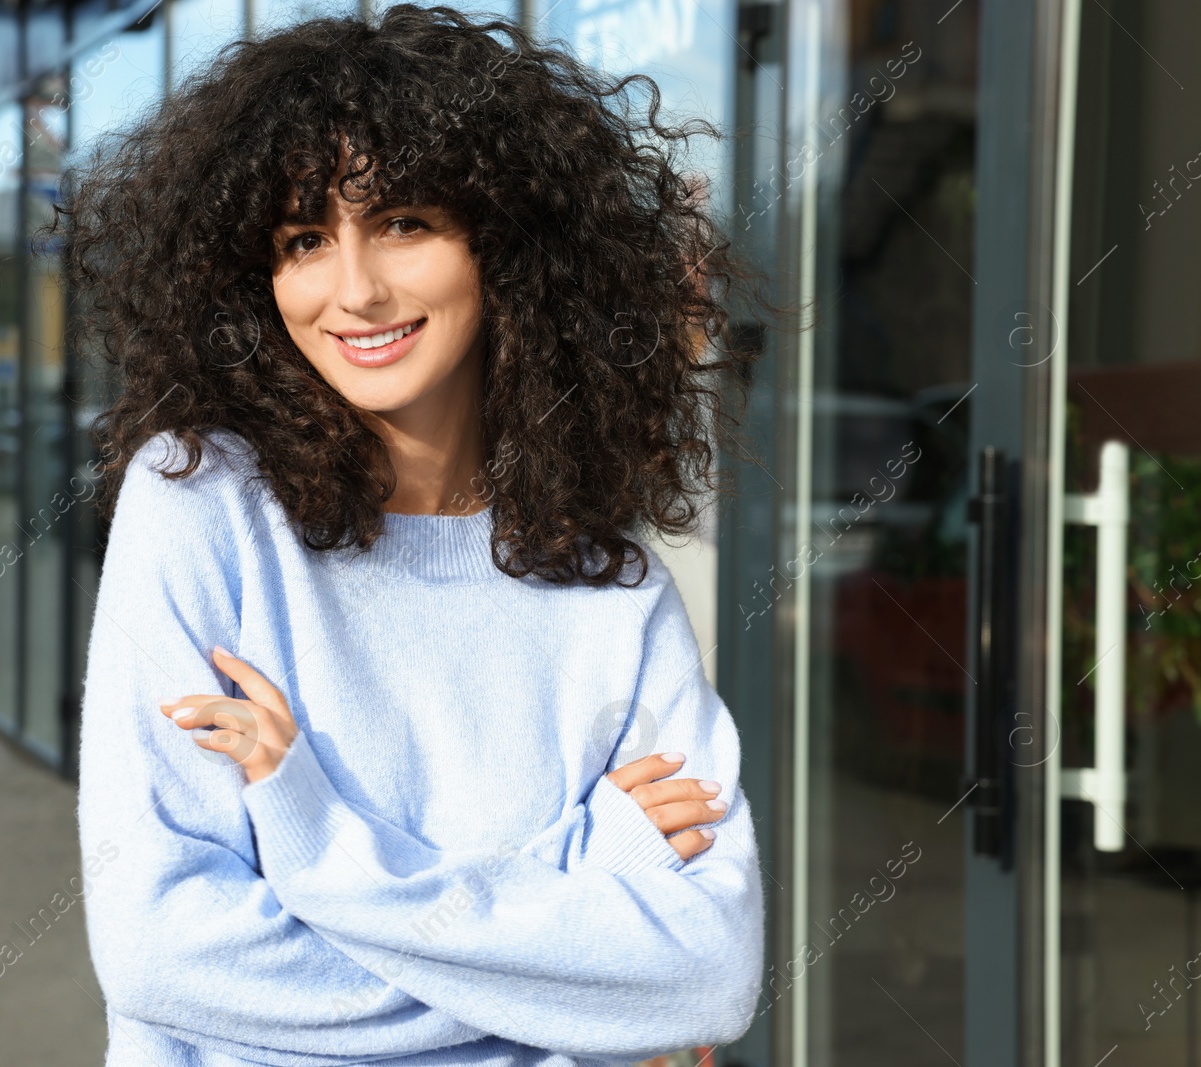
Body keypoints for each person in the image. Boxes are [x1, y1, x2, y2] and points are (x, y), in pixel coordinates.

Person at [55, 5, 767, 1065]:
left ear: (505, 245)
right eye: (303, 241)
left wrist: (320, 863)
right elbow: (164, 952)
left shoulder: (606, 589)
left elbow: (706, 974)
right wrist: (574, 903)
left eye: (402, 223)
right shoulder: (201, 504)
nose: (354, 290)